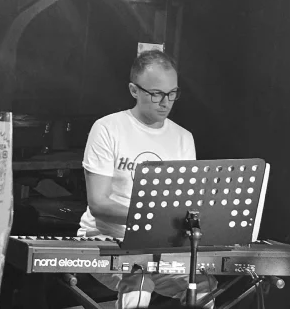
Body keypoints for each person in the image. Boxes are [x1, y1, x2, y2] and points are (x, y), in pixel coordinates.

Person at [78, 50, 217, 309]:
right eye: (156, 94)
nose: (166, 102)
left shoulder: (183, 138)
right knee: (139, 280)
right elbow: (99, 204)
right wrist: (153, 217)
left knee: (202, 286)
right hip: (107, 240)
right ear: (134, 90)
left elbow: (183, 204)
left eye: (172, 93)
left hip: (159, 246)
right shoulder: (107, 128)